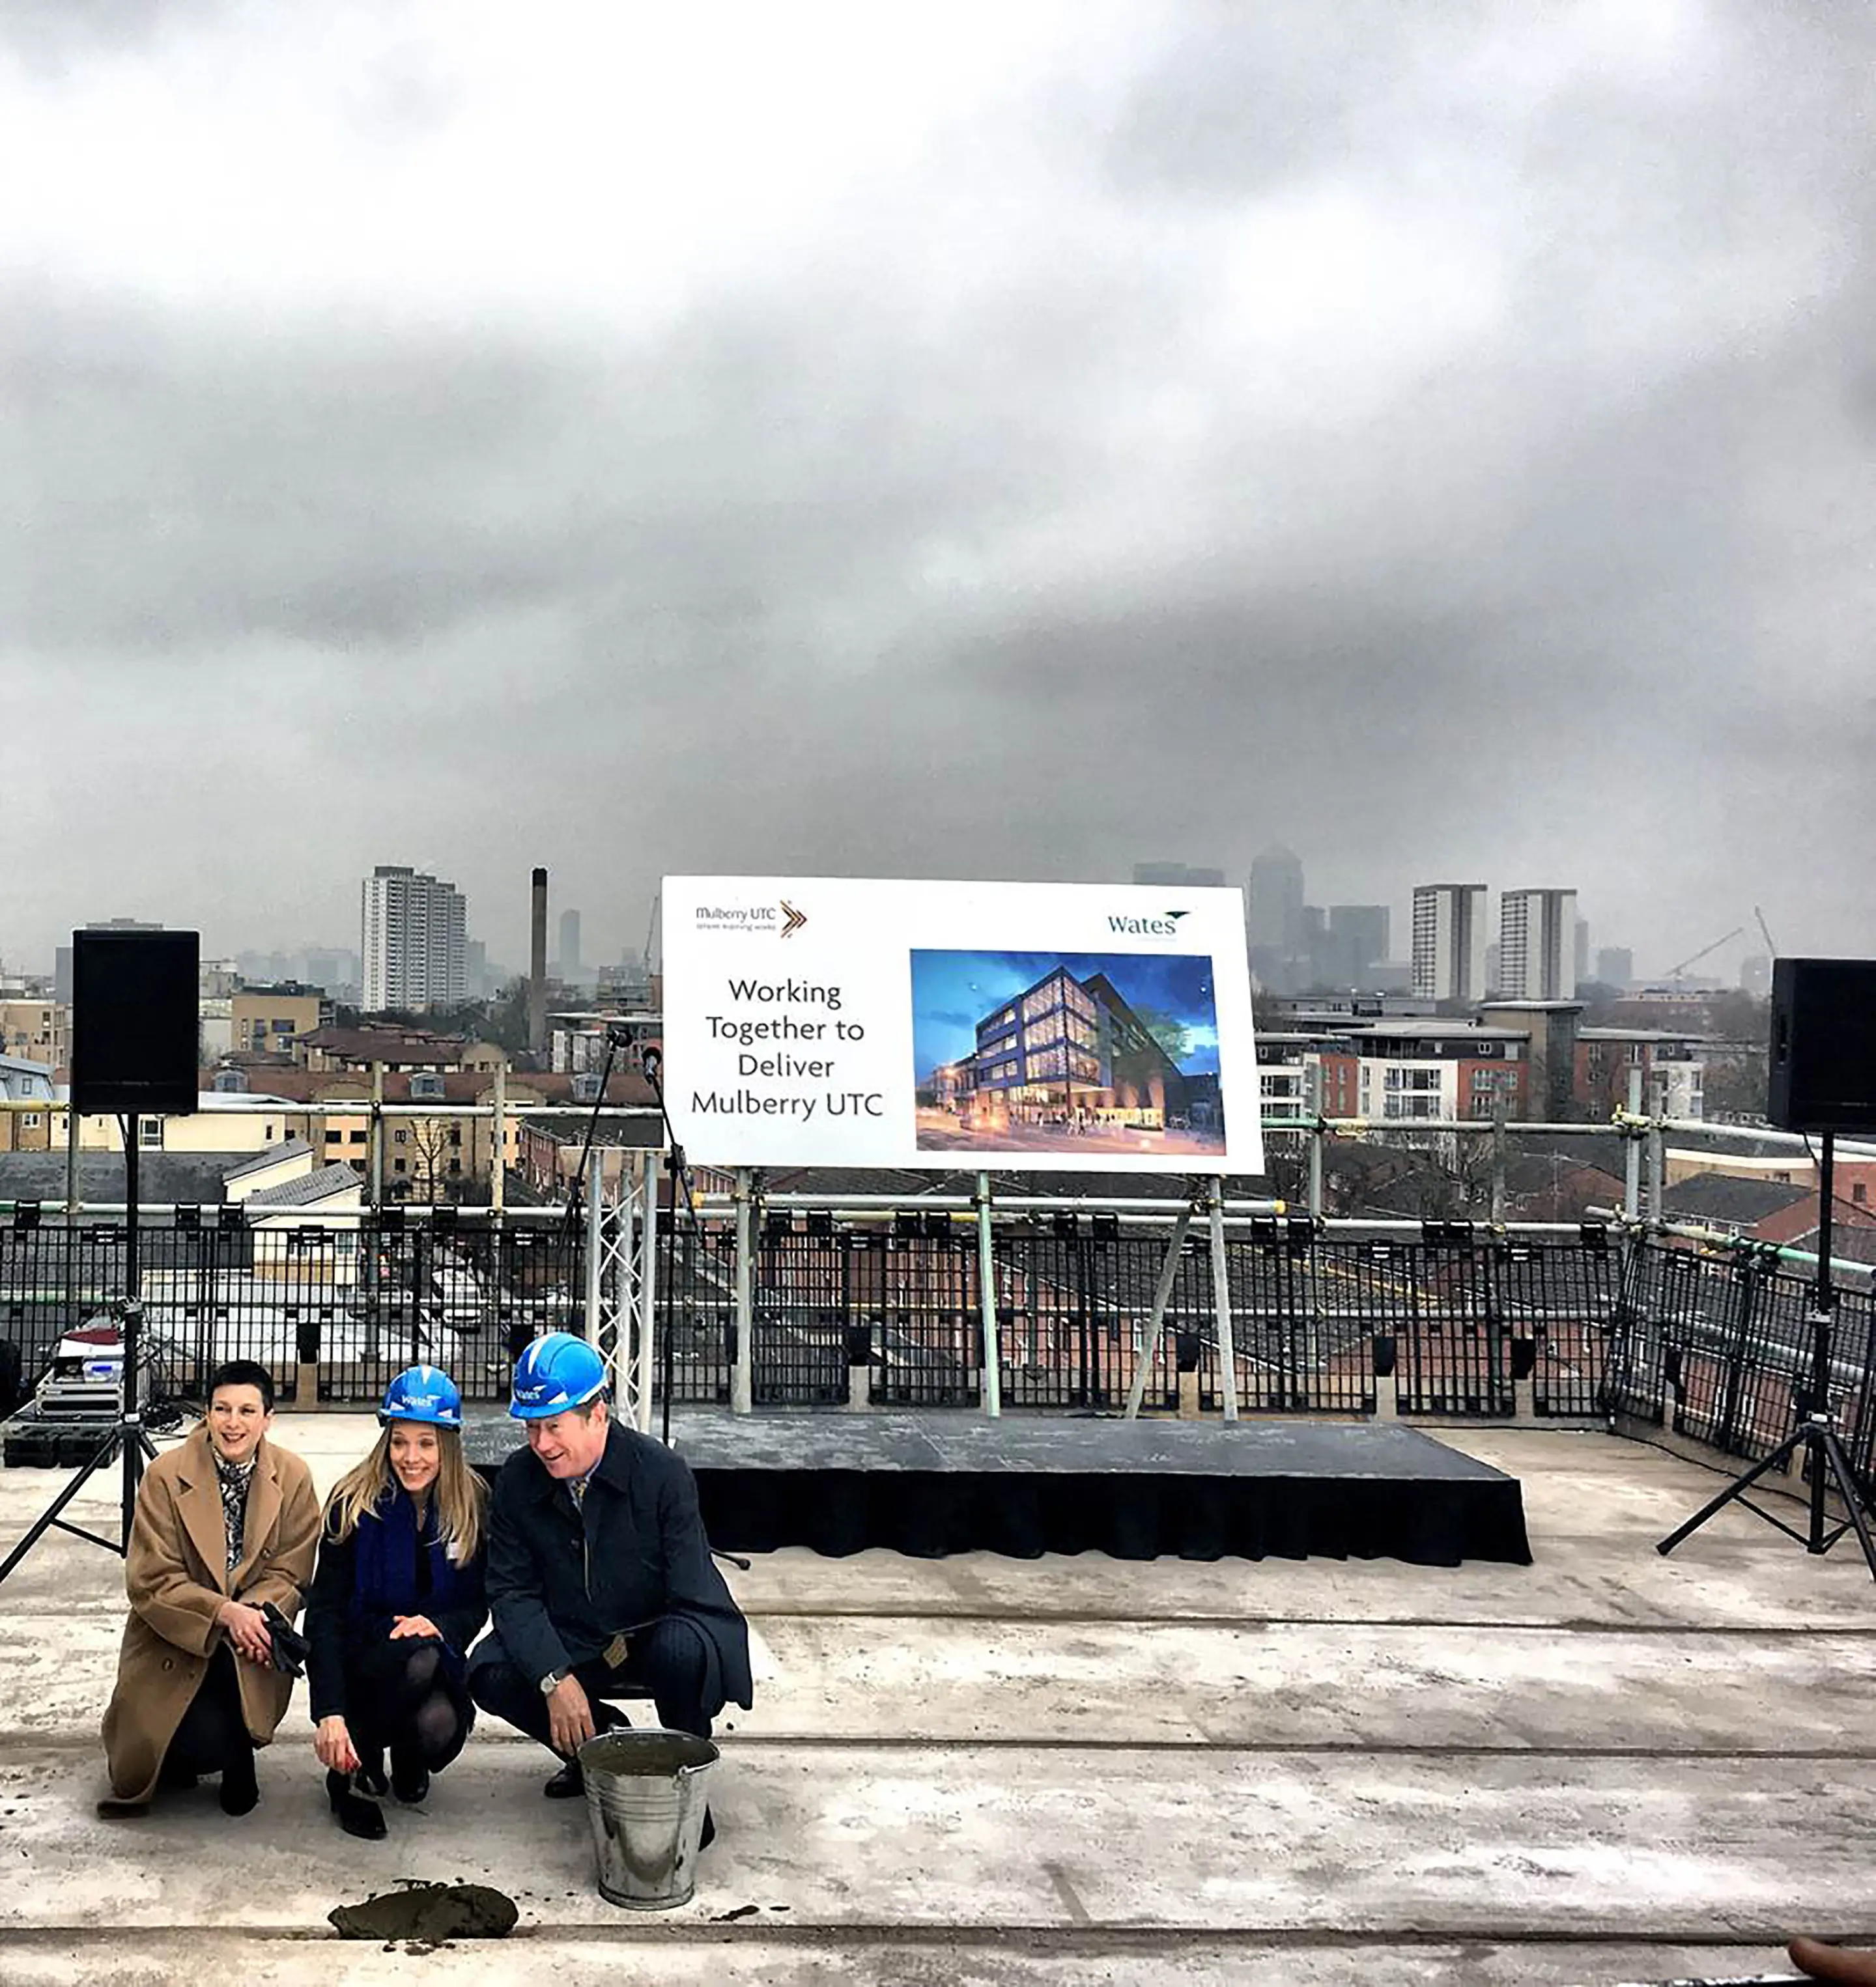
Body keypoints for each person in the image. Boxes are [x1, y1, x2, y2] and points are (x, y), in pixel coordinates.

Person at [467, 1333, 752, 1833]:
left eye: (554, 1427)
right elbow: (511, 1592)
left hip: (653, 1630)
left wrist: (640, 1636)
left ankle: (683, 1775)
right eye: (532, 1428)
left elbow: (690, 1589)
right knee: (489, 1670)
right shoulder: (517, 1479)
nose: (542, 1445)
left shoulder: (662, 1473)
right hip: (573, 1635)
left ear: (597, 1414)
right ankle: (598, 1744)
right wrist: (554, 1676)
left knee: (682, 1648)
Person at [99, 1359, 320, 1818]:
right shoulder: (166, 1475)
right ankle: (206, 1747)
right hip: (177, 1634)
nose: (233, 1422)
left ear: (267, 1418)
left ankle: (239, 1754)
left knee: (225, 1701)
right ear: (208, 1412)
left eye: (246, 1410)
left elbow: (292, 1568)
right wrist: (223, 1612)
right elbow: (151, 1579)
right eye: (222, 1409)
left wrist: (253, 1615)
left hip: (254, 1634)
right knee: (175, 1751)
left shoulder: (294, 1475)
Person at [305, 1363, 488, 1840]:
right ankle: (352, 1771)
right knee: (416, 1655)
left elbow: (476, 1604)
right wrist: (330, 1711)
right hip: (364, 1660)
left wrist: (440, 1626)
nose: (411, 1457)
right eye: (400, 1440)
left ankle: (408, 1755)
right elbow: (323, 1613)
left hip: (430, 1657)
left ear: (447, 1443)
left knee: (438, 1723)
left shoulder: (472, 1505)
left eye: (426, 1443)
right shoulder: (352, 1503)